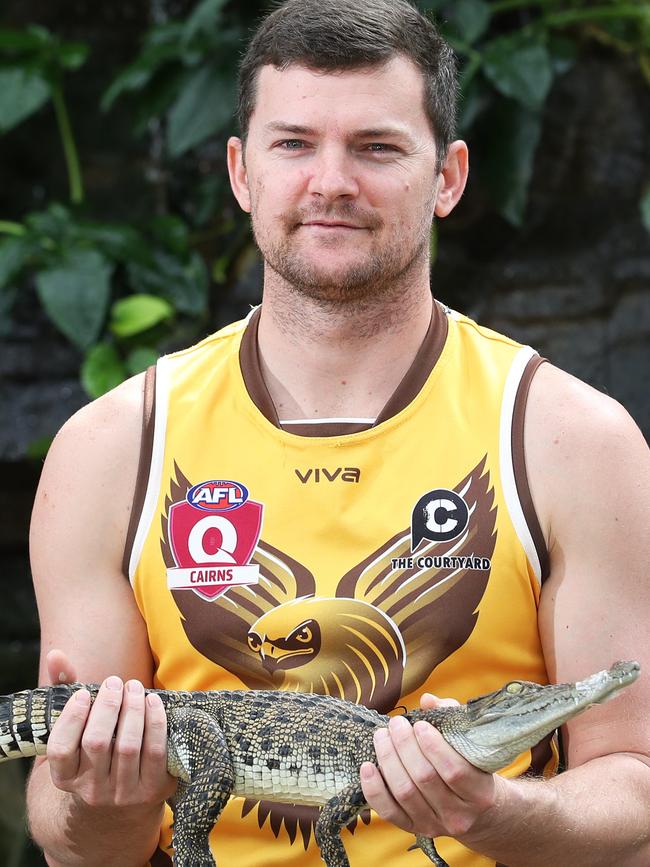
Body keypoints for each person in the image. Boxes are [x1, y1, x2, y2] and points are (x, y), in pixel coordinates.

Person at [26, 0, 650, 865]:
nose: (331, 183)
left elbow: (634, 777)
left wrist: (491, 811)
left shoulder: (575, 439)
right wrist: (100, 803)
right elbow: (70, 841)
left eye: (377, 146)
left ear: (449, 177)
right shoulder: (108, 448)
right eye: (294, 144)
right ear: (241, 171)